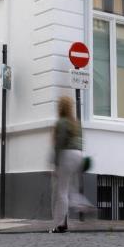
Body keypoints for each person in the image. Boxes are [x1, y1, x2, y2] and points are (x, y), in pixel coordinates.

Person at [50, 95, 94, 233]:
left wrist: (56, 164)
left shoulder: (61, 122)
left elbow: (59, 144)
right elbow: (81, 141)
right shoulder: (75, 122)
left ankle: (60, 225)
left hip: (67, 155)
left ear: (60, 107)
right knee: (71, 189)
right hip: (78, 156)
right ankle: (83, 204)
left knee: (61, 192)